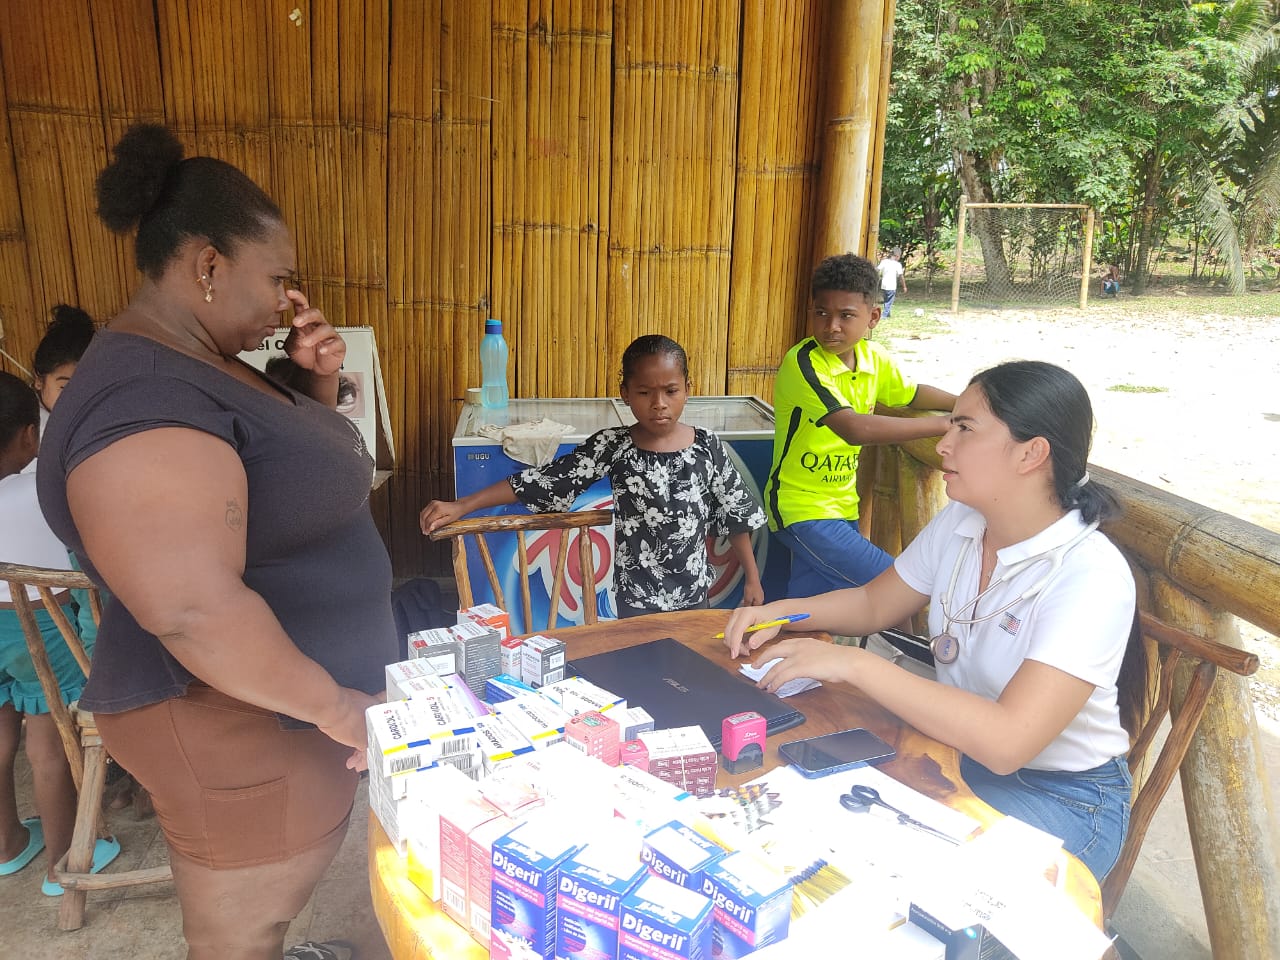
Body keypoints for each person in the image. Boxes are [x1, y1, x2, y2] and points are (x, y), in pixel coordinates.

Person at [36, 123, 393, 960]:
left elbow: (268, 486)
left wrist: (311, 385)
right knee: (239, 933)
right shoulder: (140, 399)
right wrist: (339, 710)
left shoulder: (196, 363)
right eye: (277, 278)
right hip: (230, 721)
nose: (285, 301)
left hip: (267, 715)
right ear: (207, 264)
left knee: (264, 920)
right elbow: (191, 609)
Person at [724, 360, 1143, 882]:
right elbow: (873, 603)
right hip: (948, 751)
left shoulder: (1089, 575)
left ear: (1031, 453)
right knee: (805, 815)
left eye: (965, 428)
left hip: (1059, 795)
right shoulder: (965, 522)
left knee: (907, 885)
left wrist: (852, 663)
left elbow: (1007, 742)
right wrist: (782, 612)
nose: (944, 444)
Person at [421, 334, 767, 617]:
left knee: (689, 672)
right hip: (637, 602)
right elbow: (544, 482)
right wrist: (462, 505)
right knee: (643, 673)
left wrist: (752, 578)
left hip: (695, 597)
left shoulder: (707, 446)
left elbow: (735, 516)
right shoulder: (613, 446)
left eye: (670, 391)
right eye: (644, 392)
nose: (659, 403)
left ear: (687, 389)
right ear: (625, 393)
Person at [767, 253, 956, 599]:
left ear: (873, 317)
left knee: (812, 605)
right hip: (801, 510)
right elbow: (854, 429)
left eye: (846, 315)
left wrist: (964, 404)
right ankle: (905, 643)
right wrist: (943, 424)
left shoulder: (874, 358)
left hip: (843, 506)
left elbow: (912, 394)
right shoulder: (803, 363)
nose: (831, 326)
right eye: (821, 313)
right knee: (894, 582)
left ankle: (789, 636)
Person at [0, 371, 121, 895]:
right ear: (31, 434)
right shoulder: (45, 488)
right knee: (47, 741)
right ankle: (62, 860)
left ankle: (7, 844)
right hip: (40, 630)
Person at [876, 246, 907, 318]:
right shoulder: (897, 264)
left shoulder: (884, 261)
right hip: (891, 286)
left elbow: (877, 270)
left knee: (886, 300)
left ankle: (888, 314)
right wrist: (904, 286)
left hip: (883, 285)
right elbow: (901, 276)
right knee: (889, 301)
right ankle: (884, 315)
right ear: (897, 256)